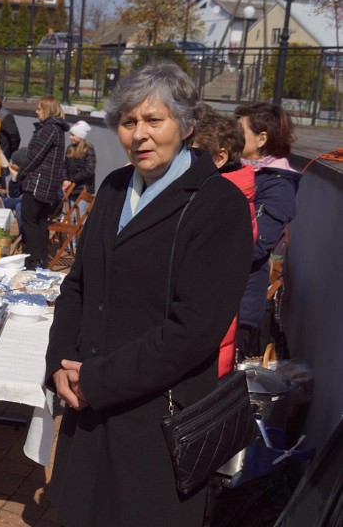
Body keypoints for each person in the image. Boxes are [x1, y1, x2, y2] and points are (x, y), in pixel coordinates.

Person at [46, 60, 253, 527]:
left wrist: (98, 379)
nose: (139, 134)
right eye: (128, 121)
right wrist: (60, 364)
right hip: (89, 413)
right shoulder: (116, 187)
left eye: (154, 120)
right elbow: (78, 285)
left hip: (155, 423)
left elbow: (194, 330)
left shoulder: (217, 205)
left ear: (187, 125)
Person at [192, 105, 255, 376]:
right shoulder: (228, 192)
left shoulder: (226, 202)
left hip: (205, 344)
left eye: (193, 154)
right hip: (208, 338)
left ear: (219, 157)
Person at [234, 102, 301, 358]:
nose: (233, 135)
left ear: (262, 139)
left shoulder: (278, 186)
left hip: (240, 307)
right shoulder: (237, 169)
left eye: (240, 130)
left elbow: (255, 246)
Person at [16, 96, 69, 270]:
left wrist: (21, 174)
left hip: (39, 182)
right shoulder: (57, 130)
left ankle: (33, 259)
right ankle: (39, 260)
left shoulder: (49, 129)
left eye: (39, 108)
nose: (36, 111)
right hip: (47, 184)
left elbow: (34, 157)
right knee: (39, 222)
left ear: (47, 109)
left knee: (30, 220)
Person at [60, 120, 97, 214]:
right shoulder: (70, 148)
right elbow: (65, 165)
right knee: (71, 215)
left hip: (83, 188)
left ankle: (83, 229)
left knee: (79, 214)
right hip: (72, 188)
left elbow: (89, 170)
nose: (70, 137)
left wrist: (72, 180)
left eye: (73, 135)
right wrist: (64, 179)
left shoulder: (88, 149)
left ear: (80, 135)